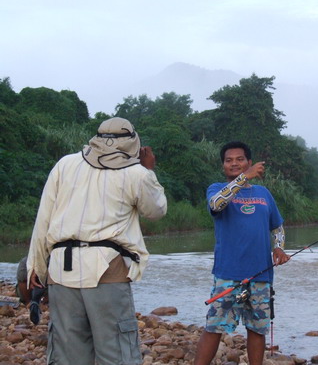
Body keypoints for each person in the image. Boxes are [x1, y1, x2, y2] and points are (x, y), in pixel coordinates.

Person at [26, 117, 167, 365]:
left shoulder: (65, 164)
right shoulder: (136, 173)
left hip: (61, 267)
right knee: (115, 352)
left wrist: (36, 267)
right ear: (134, 142)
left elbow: (43, 220)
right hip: (108, 268)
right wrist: (149, 170)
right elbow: (156, 211)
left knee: (68, 353)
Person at [194, 141, 290, 365]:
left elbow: (277, 227)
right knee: (214, 327)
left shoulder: (263, 194)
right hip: (228, 274)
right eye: (229, 160)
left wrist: (279, 247)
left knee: (257, 329)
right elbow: (216, 205)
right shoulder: (216, 189)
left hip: (261, 275)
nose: (234, 164)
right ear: (223, 166)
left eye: (239, 159)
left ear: (248, 161)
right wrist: (244, 177)